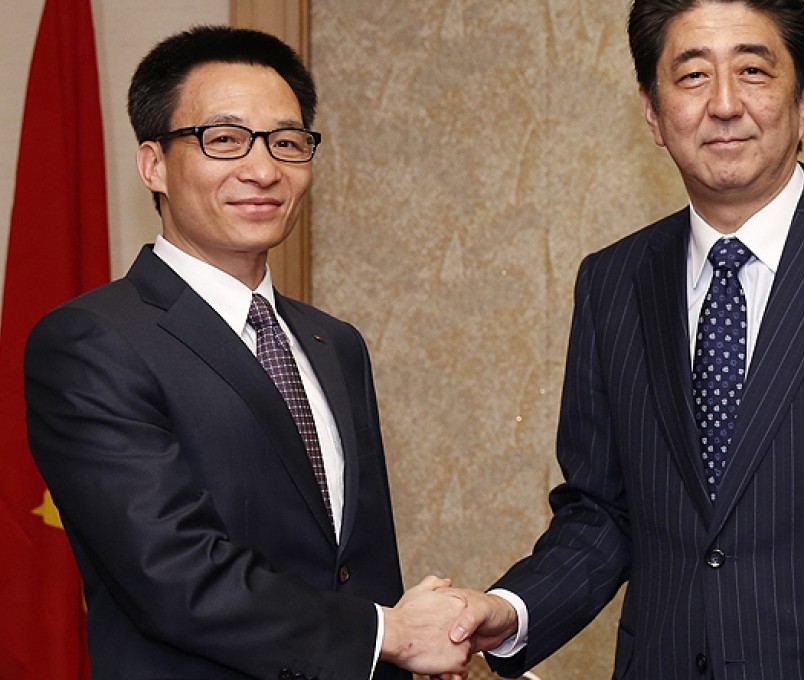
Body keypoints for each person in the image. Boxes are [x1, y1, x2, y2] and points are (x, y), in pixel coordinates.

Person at [445, 0, 804, 678]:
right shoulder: (613, 282)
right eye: (691, 76)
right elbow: (604, 513)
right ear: (653, 112)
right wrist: (511, 610)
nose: (723, 104)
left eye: (753, 70)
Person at [24, 26, 471, 680]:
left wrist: (403, 645)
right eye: (224, 139)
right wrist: (388, 633)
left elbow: (355, 565)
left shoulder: (335, 343)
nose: (264, 170)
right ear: (154, 165)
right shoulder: (92, 341)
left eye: (288, 143)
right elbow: (172, 576)